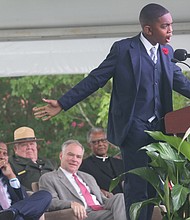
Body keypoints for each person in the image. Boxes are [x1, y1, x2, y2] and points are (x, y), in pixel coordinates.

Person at [32, 3, 190, 219]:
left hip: (160, 127)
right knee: (137, 186)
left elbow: (180, 83)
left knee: (154, 186)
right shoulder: (124, 49)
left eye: (171, 25)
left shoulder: (167, 51)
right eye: (165, 26)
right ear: (148, 29)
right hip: (133, 127)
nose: (171, 30)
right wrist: (62, 102)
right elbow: (96, 78)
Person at [39, 140, 126, 220]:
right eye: (71, 155)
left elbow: (102, 199)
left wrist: (117, 203)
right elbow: (50, 202)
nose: (74, 160)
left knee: (120, 197)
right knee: (125, 214)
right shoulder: (49, 178)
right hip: (84, 213)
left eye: (78, 157)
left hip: (101, 207)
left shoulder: (88, 177)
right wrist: (71, 204)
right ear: (61, 156)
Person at [0, 141, 52, 220]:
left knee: (45, 195)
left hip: (16, 214)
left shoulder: (6, 174)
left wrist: (11, 176)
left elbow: (22, 198)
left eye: (5, 154)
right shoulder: (16, 164)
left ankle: (13, 211)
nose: (2, 157)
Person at [8, 126, 57, 191]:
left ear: (36, 145)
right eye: (24, 145)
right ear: (15, 148)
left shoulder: (48, 163)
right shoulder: (10, 165)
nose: (29, 147)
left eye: (32, 144)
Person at [79, 127, 124, 197]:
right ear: (89, 145)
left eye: (103, 140)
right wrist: (100, 191)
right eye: (95, 142)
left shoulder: (120, 163)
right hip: (104, 202)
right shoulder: (84, 165)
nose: (100, 144)